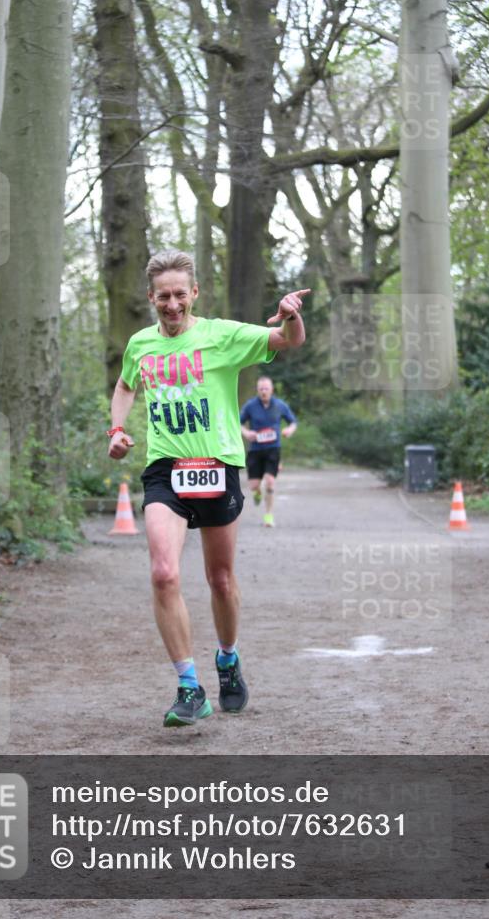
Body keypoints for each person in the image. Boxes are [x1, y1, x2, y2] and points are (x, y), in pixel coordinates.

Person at [107, 251, 309, 727]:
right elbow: (124, 385)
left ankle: (227, 659)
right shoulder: (140, 344)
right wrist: (115, 430)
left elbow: (287, 340)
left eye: (180, 294)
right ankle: (188, 686)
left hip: (216, 467)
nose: (172, 304)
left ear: (194, 293)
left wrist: (292, 316)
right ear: (151, 298)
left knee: (220, 580)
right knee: (163, 573)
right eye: (163, 296)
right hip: (165, 470)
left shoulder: (222, 335)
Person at [240, 376, 297, 527]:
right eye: (261, 389)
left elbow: (293, 422)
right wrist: (246, 433)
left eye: (266, 388)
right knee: (253, 485)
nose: (264, 391)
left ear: (271, 389)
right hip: (256, 450)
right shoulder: (250, 406)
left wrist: (289, 430)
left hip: (273, 448)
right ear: (257, 390)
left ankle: (268, 516)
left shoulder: (280, 405)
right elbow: (238, 423)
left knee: (270, 482)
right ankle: (257, 492)